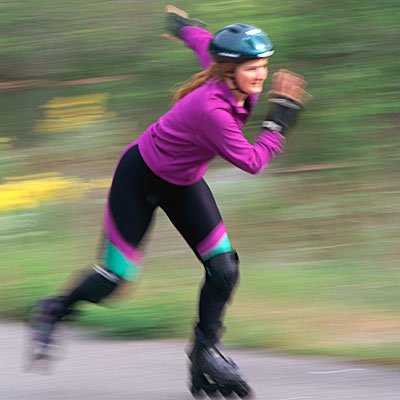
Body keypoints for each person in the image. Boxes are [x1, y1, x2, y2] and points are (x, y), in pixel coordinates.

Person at [28, 5, 309, 398]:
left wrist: (182, 27)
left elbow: (204, 44)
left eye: (262, 65)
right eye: (251, 68)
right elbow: (252, 161)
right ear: (229, 71)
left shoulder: (225, 74)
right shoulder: (213, 111)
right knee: (114, 279)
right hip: (140, 177)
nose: (260, 74)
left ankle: (205, 352)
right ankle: (54, 308)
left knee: (224, 268)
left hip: (182, 182)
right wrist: (280, 119)